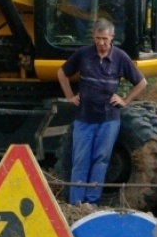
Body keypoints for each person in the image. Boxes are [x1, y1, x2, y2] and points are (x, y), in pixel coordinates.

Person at [57, 18, 147, 206]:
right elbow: (62, 73)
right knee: (80, 161)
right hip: (84, 118)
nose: (100, 43)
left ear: (112, 37)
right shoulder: (83, 54)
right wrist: (69, 96)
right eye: (97, 38)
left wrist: (125, 100)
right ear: (93, 37)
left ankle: (91, 203)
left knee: (101, 161)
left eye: (105, 39)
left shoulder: (121, 57)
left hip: (109, 119)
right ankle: (76, 205)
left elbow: (141, 82)